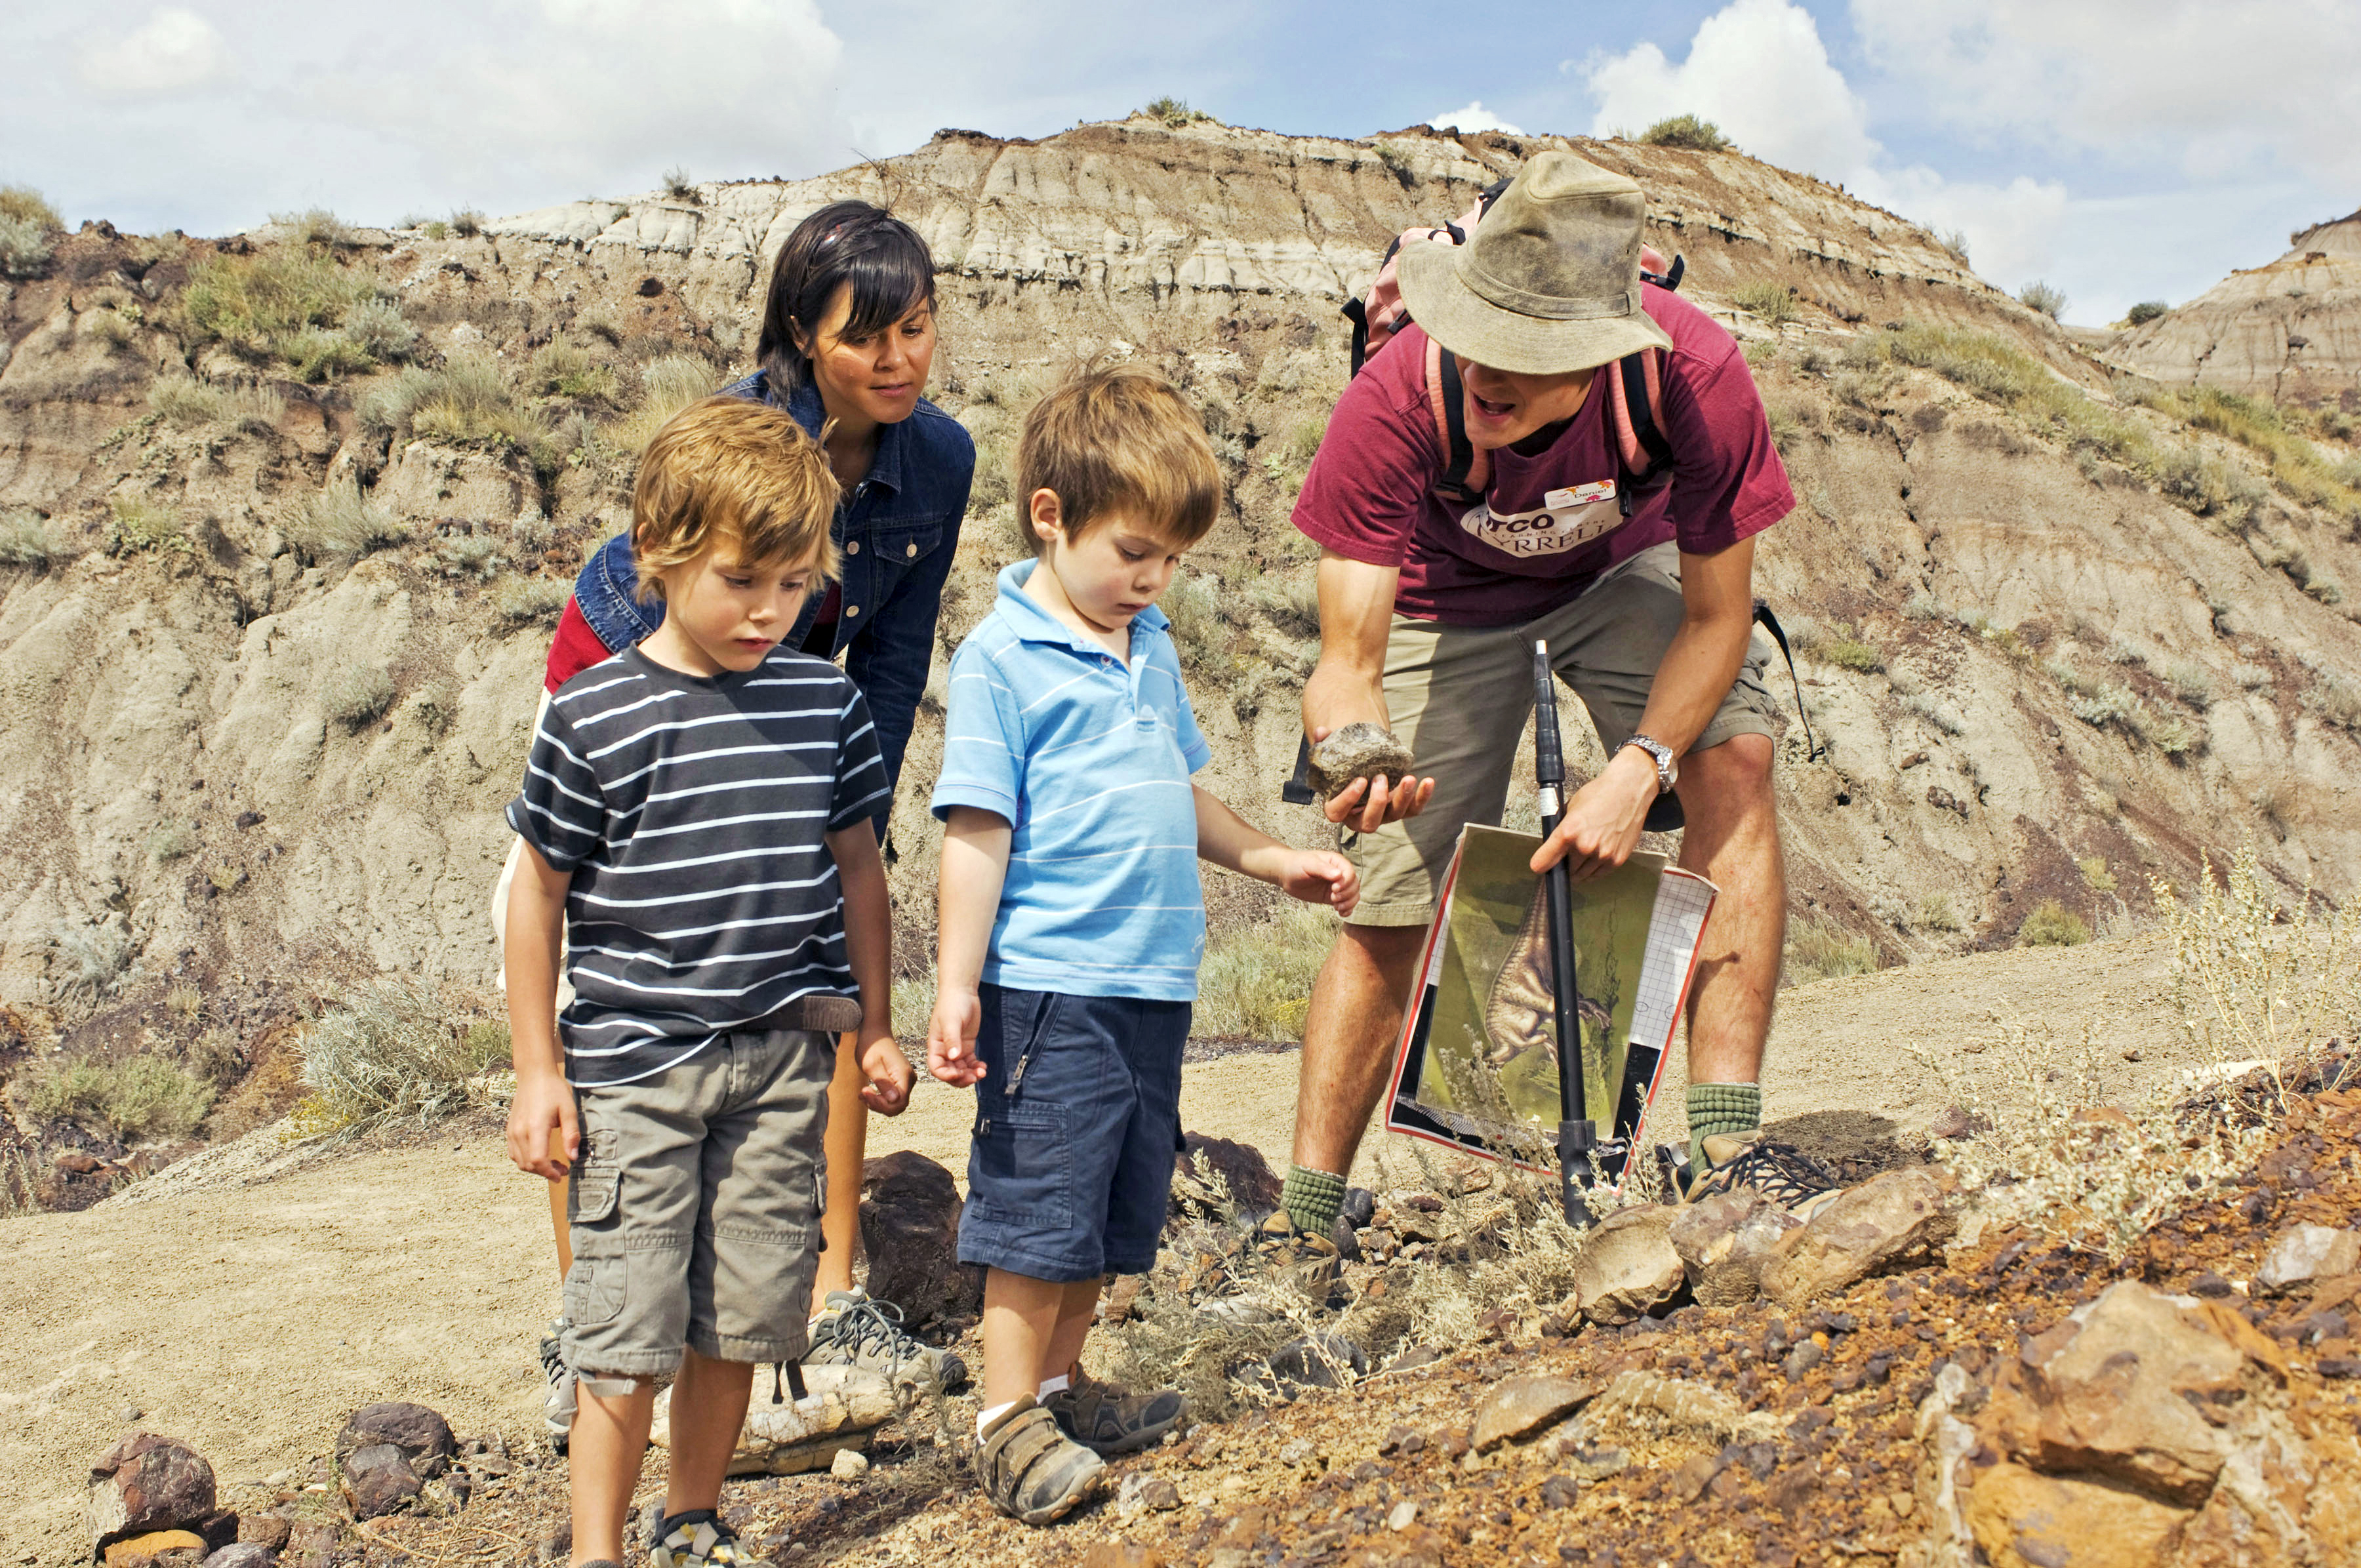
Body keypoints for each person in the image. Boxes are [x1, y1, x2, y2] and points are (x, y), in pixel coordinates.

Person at [1277, 150, 1824, 1241]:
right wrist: (1357, 753)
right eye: (1477, 332)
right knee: (1390, 888)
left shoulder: (1696, 379)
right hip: (1445, 598)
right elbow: (1347, 654)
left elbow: (1719, 619)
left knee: (1736, 756)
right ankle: (1306, 1217)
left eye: (1524, 357)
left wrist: (1640, 768)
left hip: (1626, 571)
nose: (1484, 373)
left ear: (1602, 354)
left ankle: (1726, 1150)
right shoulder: (1396, 398)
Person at [497, 200, 973, 1447]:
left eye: (918, 328)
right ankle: (580, 1325)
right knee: (604, 948)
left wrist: (848, 788)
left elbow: (895, 636)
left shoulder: (942, 460)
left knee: (814, 942)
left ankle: (829, 1298)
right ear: (803, 337)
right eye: (869, 335)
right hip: (641, 656)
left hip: (795, 688)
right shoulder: (743, 431)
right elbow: (690, 591)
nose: (900, 360)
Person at [924, 368, 1360, 1524]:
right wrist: (956, 982)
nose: (1154, 578)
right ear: (1050, 516)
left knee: (1114, 1212)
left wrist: (1275, 861)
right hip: (1051, 986)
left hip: (1152, 986)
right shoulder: (1002, 663)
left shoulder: (1148, 644)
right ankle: (1005, 1421)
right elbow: (975, 832)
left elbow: (1184, 792)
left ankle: (1061, 1389)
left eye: (1172, 559)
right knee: (1038, 1209)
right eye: (1134, 552)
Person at [504, 395, 913, 1568]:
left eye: (794, 585)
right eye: (743, 580)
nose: (771, 612)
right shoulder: (593, 715)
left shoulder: (822, 703)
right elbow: (537, 893)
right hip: (634, 1074)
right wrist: (540, 1073)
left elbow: (860, 873)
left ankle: (693, 1522)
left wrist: (875, 1026)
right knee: (625, 1333)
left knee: (741, 1317)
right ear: (658, 556)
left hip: (780, 1068)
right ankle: (598, 1550)